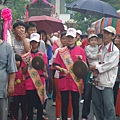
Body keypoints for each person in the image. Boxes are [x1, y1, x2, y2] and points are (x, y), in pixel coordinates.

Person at [54, 28, 86, 120]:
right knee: (64, 104)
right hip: (64, 79)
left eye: (72, 37)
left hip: (76, 81)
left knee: (75, 104)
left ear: (76, 38)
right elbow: (56, 64)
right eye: (68, 37)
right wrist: (61, 69)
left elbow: (84, 68)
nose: (70, 40)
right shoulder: (61, 51)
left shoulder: (81, 51)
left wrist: (81, 61)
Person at [90, 26, 119, 120]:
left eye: (108, 33)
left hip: (107, 82)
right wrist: (93, 67)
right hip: (96, 80)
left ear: (113, 36)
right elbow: (96, 60)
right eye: (104, 33)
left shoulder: (115, 51)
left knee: (108, 107)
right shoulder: (100, 48)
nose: (105, 35)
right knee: (96, 105)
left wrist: (96, 67)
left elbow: (109, 64)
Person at [22, 33, 48, 120]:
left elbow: (44, 70)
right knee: (29, 105)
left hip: (40, 81)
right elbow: (23, 71)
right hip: (29, 83)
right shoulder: (26, 56)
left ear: (38, 44)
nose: (34, 44)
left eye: (35, 42)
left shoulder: (43, 55)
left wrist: (41, 60)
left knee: (40, 104)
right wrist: (27, 64)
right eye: (32, 42)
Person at [53, 31, 72, 120]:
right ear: (60, 40)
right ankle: (58, 115)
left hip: (70, 77)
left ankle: (69, 115)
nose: (65, 40)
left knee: (69, 97)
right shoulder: (58, 51)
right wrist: (60, 69)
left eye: (66, 38)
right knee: (59, 96)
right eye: (63, 38)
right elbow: (54, 63)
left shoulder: (72, 49)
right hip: (58, 76)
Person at [0, 24, 17, 120]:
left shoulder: (7, 47)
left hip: (2, 89)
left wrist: (11, 85)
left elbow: (12, 68)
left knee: (2, 114)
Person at [10, 54, 27, 120]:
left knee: (24, 108)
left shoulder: (24, 70)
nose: (16, 62)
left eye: (18, 61)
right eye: (15, 61)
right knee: (15, 108)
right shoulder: (11, 71)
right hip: (15, 93)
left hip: (24, 92)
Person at [113, 34, 120, 106]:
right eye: (116, 38)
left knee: (115, 93)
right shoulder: (112, 49)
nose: (116, 39)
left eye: (118, 38)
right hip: (111, 75)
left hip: (117, 76)